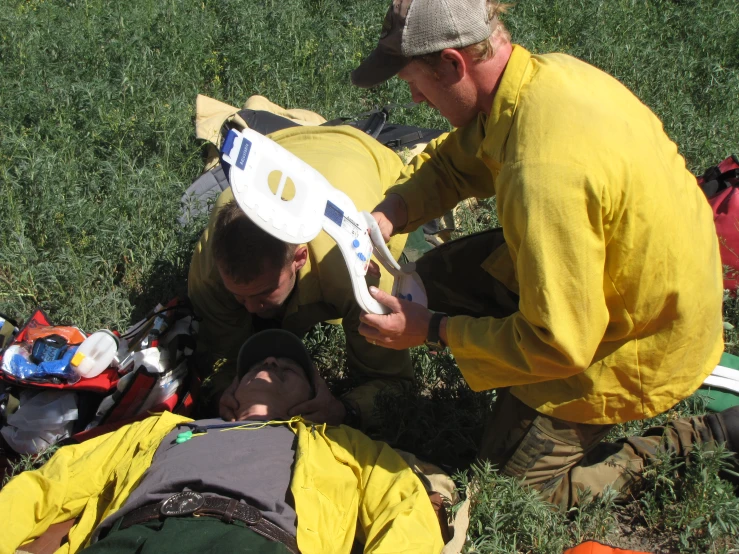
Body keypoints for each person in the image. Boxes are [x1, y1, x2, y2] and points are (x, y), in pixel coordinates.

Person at [351, 0, 739, 508]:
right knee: (430, 280)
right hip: (605, 266)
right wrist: (393, 212)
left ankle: (702, 437)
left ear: (452, 63)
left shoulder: (542, 170)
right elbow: (458, 161)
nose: (416, 100)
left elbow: (561, 343)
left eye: (414, 81)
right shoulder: (539, 78)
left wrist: (433, 330)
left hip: (639, 334)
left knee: (514, 496)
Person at [0, 330, 444, 554]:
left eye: (290, 366)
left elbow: (403, 505)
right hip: (130, 539)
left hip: (249, 541)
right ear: (229, 396)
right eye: (258, 363)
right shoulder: (159, 428)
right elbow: (51, 484)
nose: (270, 360)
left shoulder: (343, 447)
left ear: (315, 395)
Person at [188, 104, 416, 430]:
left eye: (264, 292)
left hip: (362, 153)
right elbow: (217, 355)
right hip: (285, 142)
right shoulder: (210, 263)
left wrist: (346, 411)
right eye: (238, 296)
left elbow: (394, 383)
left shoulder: (354, 271)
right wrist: (223, 391)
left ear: (299, 259)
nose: (250, 308)